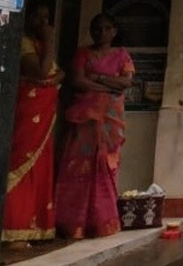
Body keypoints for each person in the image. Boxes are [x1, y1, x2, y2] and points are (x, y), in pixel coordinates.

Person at [55, 12, 135, 239]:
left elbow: (125, 82)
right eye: (97, 28)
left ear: (114, 31)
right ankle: (74, 223)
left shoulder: (121, 55)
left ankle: (102, 221)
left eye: (107, 28)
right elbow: (77, 80)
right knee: (78, 166)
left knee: (105, 165)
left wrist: (96, 79)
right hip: (85, 117)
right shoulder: (83, 53)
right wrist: (109, 85)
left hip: (111, 121)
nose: (101, 33)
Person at [2, 5, 63, 247]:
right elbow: (42, 71)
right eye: (37, 16)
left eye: (47, 17)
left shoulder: (36, 45)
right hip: (27, 118)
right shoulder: (23, 43)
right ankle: (10, 228)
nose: (43, 22)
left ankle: (31, 228)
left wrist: (51, 78)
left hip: (42, 120)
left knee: (38, 169)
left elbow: (56, 75)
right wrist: (49, 41)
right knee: (18, 166)